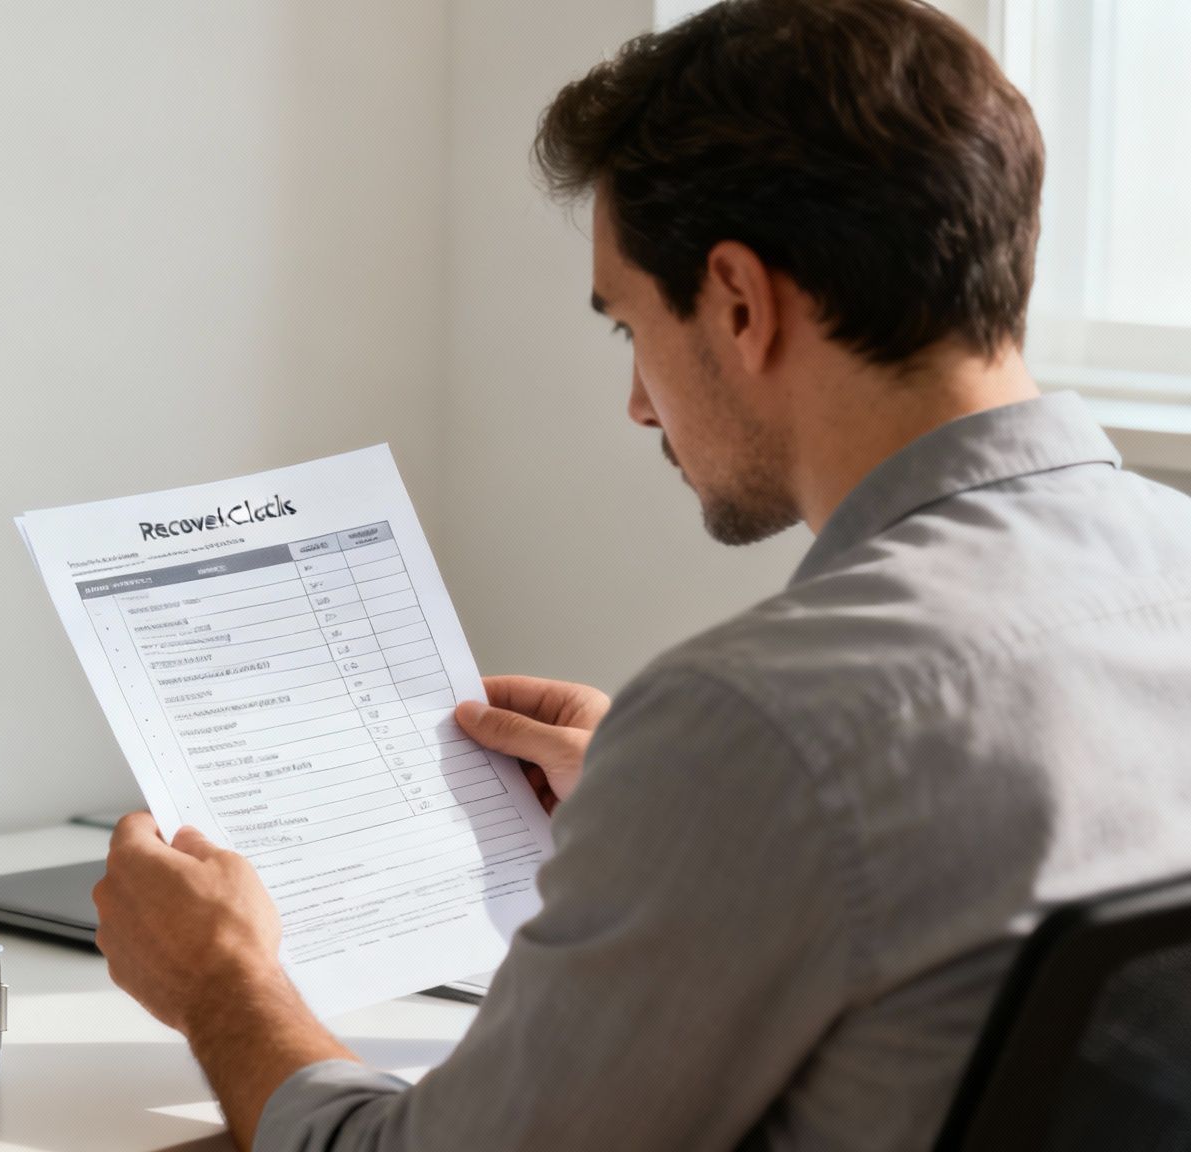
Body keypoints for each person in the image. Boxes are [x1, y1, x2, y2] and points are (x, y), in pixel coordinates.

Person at [89, 1, 1191, 1149]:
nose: (634, 400)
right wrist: (660, 801)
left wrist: (220, 981)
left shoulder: (760, 725)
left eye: (625, 324)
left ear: (735, 302)